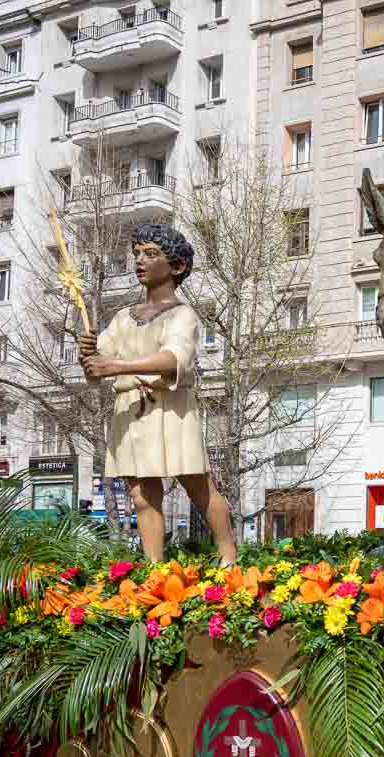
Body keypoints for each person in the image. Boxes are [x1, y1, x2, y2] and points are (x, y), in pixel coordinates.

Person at [78, 224, 237, 565]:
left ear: (176, 267)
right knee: (142, 498)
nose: (140, 260)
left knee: (198, 488)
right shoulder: (122, 318)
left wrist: (114, 367)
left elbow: (173, 359)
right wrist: (88, 356)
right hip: (132, 412)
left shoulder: (182, 314)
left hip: (172, 410)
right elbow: (96, 370)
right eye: (137, 253)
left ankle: (228, 557)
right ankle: (154, 571)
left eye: (151, 254)